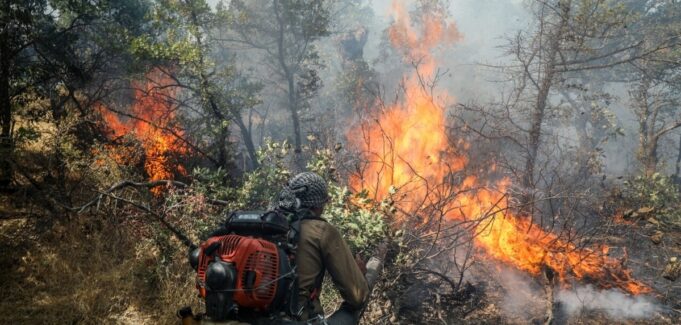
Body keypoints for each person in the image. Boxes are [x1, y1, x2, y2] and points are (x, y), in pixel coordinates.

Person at [278, 172, 369, 323]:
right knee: (351, 310)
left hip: (250, 315)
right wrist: (360, 275)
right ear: (317, 204)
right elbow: (357, 296)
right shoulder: (321, 231)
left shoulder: (267, 224)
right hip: (297, 319)